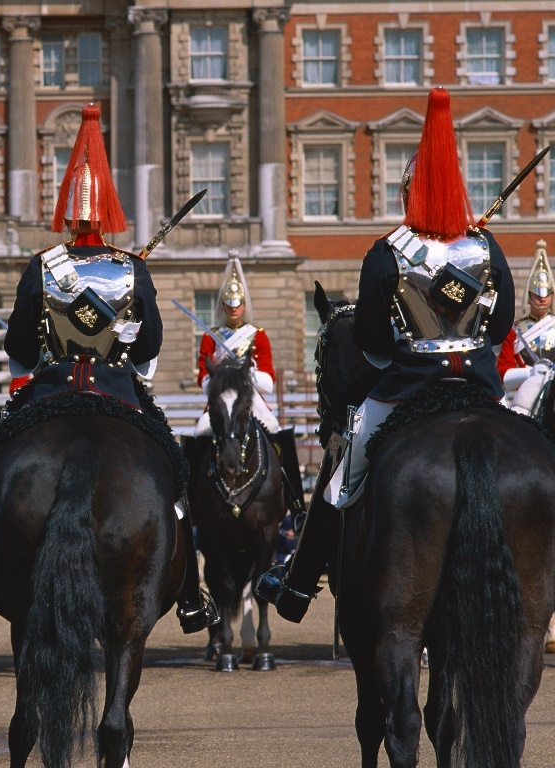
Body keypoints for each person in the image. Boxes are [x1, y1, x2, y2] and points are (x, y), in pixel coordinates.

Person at [0, 103, 218, 633]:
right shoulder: (129, 267)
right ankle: (192, 593)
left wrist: (38, 362)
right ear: (107, 210)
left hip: (49, 392)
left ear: (68, 210)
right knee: (173, 477)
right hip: (119, 393)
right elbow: (151, 344)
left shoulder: (42, 266)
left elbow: (17, 343)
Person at [256, 87, 515, 623]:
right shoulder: (484, 246)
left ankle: (299, 584)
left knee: (340, 470)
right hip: (481, 388)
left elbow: (372, 343)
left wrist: (410, 345)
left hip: (408, 388)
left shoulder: (388, 252)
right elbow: (502, 325)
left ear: (405, 197)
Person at [187, 258, 306, 519]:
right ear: (223, 306)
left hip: (251, 399)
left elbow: (268, 382)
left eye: (238, 304)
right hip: (221, 399)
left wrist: (246, 371)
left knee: (277, 432)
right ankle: (188, 504)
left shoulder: (257, 335)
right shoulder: (211, 336)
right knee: (198, 432)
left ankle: (296, 503)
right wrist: (222, 376)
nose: (233, 309)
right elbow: (204, 380)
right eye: (229, 305)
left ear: (244, 305)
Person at [497, 240, 555, 416]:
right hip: (526, 396)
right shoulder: (514, 330)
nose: (542, 300)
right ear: (529, 297)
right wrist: (532, 372)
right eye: (537, 295)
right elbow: (504, 375)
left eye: (547, 295)